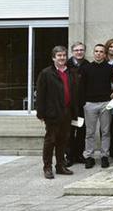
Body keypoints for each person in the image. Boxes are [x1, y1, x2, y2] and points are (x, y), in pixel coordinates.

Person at [36, 46, 78, 179]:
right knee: (51, 140)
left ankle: (60, 166)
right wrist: (41, 113)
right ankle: (47, 167)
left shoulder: (71, 72)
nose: (62, 58)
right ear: (53, 57)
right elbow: (41, 95)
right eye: (59, 55)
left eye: (64, 55)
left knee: (63, 140)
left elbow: (74, 93)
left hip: (67, 112)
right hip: (52, 113)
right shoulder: (46, 73)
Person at [79, 43, 113, 169]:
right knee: (90, 132)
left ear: (105, 54)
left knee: (105, 131)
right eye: (96, 51)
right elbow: (81, 87)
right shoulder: (86, 68)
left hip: (105, 104)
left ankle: (104, 156)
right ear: (93, 53)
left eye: (101, 51)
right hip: (90, 104)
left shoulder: (109, 68)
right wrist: (83, 103)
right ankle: (89, 157)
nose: (98, 53)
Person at [66, 42, 88, 167]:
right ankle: (69, 156)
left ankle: (79, 154)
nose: (79, 52)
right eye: (76, 50)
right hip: (69, 106)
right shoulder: (66, 66)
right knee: (69, 131)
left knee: (81, 130)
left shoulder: (87, 65)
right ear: (72, 52)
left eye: (81, 50)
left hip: (81, 106)